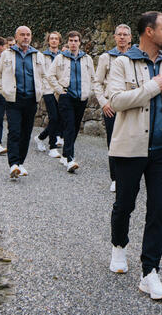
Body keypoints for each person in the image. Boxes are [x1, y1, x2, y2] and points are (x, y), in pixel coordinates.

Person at [106, 11, 162, 300]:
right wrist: (151, 88)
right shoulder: (122, 62)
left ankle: (150, 272)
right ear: (148, 32)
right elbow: (115, 101)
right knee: (124, 204)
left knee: (158, 210)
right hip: (129, 149)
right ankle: (119, 245)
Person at [0, 25, 50, 178]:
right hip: (14, 99)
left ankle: (20, 163)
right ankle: (13, 164)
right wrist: (3, 90)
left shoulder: (37, 55)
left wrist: (41, 92)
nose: (25, 37)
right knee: (14, 131)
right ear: (16, 37)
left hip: (31, 100)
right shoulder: (7, 55)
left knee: (26, 133)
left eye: (28, 34)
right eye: (22, 34)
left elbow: (44, 76)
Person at [47, 30, 93, 173]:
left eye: (76, 41)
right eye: (71, 41)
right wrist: (60, 90)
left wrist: (89, 91)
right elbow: (50, 75)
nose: (73, 43)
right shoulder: (60, 58)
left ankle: (66, 153)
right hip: (66, 97)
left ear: (80, 42)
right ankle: (70, 159)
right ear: (67, 42)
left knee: (75, 127)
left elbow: (93, 77)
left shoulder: (87, 59)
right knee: (69, 126)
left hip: (81, 98)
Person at [93, 23, 132, 192]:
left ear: (130, 38)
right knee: (114, 142)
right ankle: (115, 178)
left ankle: (130, 175)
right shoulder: (105, 58)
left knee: (131, 141)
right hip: (112, 106)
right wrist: (104, 103)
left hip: (130, 105)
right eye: (119, 34)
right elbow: (97, 83)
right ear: (114, 37)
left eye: (125, 34)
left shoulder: (135, 57)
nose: (122, 37)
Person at [36, 31, 63, 155]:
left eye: (56, 39)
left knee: (58, 118)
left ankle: (40, 137)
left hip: (60, 90)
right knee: (54, 117)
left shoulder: (63, 56)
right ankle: (52, 147)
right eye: (51, 38)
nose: (53, 41)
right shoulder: (42, 56)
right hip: (48, 90)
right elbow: (40, 73)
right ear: (48, 41)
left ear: (59, 41)